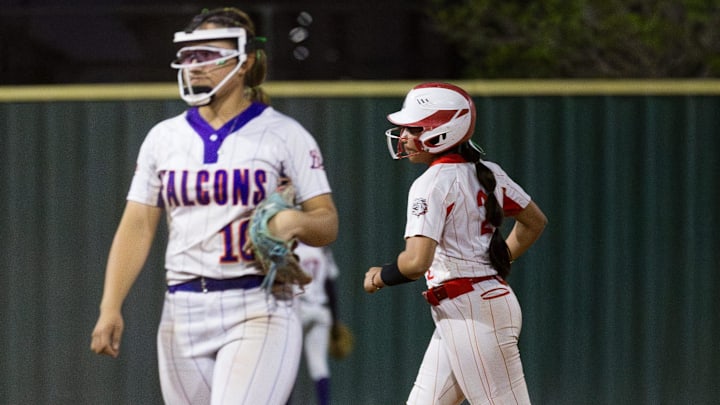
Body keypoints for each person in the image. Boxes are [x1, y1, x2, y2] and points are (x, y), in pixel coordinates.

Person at [90, 7, 338, 405]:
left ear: (245, 62)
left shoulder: (284, 134)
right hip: (182, 309)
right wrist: (110, 306)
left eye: (207, 54)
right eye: (188, 55)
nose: (194, 65)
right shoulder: (163, 138)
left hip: (259, 304)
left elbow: (327, 222)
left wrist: (294, 221)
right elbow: (137, 224)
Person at [363, 82, 547, 405]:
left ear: (441, 131)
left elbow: (417, 261)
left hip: (472, 313)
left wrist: (380, 275)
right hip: (467, 309)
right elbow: (534, 222)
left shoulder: (431, 183)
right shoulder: (488, 172)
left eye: (414, 127)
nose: (403, 136)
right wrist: (498, 260)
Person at [289, 242, 342, 405]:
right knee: (319, 364)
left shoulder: (291, 249)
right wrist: (335, 321)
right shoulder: (322, 250)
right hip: (320, 309)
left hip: (297, 310)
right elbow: (330, 287)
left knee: (288, 367)